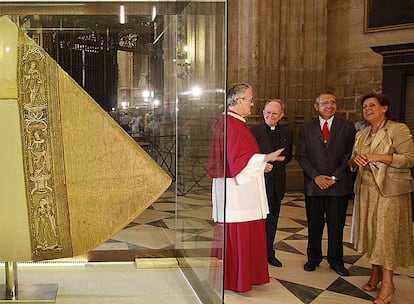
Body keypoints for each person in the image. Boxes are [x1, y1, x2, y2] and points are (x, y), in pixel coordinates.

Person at [207, 83, 285, 292]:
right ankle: (237, 279)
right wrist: (264, 160)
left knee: (247, 233)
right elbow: (236, 160)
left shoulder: (234, 122)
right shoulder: (230, 124)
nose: (252, 103)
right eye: (250, 99)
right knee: (240, 234)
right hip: (237, 193)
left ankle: (247, 275)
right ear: (239, 100)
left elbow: (241, 156)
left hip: (242, 191)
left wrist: (262, 163)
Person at [349, 93, 414, 304]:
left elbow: (409, 159)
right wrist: (355, 160)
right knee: (372, 234)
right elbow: (352, 160)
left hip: (390, 192)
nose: (367, 109)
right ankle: (375, 274)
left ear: (384, 108)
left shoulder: (397, 129)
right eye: (365, 106)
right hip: (366, 191)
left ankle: (388, 284)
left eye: (372, 105)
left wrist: (379, 157)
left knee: (386, 237)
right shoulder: (362, 133)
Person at [296, 92, 356, 276]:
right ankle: (313, 259)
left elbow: (349, 154)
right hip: (314, 186)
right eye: (324, 103)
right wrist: (316, 177)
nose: (329, 106)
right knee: (314, 225)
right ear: (316, 107)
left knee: (336, 225)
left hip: (338, 186)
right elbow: (301, 156)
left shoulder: (347, 126)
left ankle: (336, 260)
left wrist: (334, 177)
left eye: (332, 102)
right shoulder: (306, 129)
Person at [250, 99, 293, 267]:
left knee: (272, 221)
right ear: (263, 112)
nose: (270, 116)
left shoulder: (287, 132)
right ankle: (255, 255)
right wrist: (261, 165)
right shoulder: (253, 131)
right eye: (267, 112)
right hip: (258, 184)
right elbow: (247, 157)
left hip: (277, 185)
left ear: (281, 115)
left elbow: (287, 157)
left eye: (275, 113)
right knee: (256, 222)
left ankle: (269, 253)